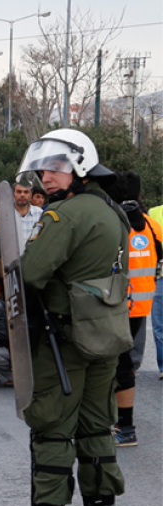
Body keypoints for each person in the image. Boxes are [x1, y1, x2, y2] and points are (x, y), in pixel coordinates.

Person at [15, 128, 129, 506]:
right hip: (106, 337)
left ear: (81, 168)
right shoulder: (112, 211)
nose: (46, 174)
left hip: (63, 341)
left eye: (57, 167)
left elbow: (30, 274)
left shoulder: (64, 216)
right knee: (98, 430)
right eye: (44, 167)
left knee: (53, 432)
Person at [108, 172, 161, 447]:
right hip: (141, 305)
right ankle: (121, 423)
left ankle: (122, 426)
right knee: (124, 362)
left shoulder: (113, 222)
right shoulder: (152, 226)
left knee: (113, 362)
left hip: (113, 303)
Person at [14, 179, 44, 245]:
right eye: (19, 192)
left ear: (31, 195)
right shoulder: (6, 214)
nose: (22, 195)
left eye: (26, 192)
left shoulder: (40, 214)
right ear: (13, 194)